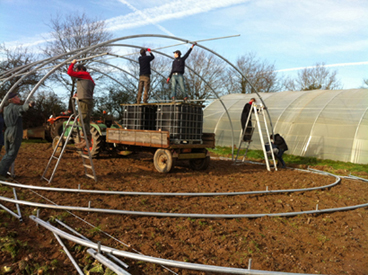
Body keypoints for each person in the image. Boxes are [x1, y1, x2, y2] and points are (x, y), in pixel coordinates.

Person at [0, 92, 35, 181]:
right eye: (17, 97)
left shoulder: (5, 108)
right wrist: (30, 105)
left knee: (8, 152)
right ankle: (1, 174)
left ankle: (3, 171)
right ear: (13, 99)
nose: (19, 99)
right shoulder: (15, 107)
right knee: (11, 154)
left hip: (7, 131)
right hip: (14, 131)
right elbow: (23, 108)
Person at [67, 59, 95, 149]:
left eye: (77, 71)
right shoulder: (87, 78)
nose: (76, 73)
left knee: (83, 120)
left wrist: (72, 63)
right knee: (84, 121)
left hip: (85, 101)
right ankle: (85, 140)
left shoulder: (84, 74)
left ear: (80, 70)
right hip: (86, 100)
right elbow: (88, 89)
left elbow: (70, 72)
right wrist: (79, 94)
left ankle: (87, 141)